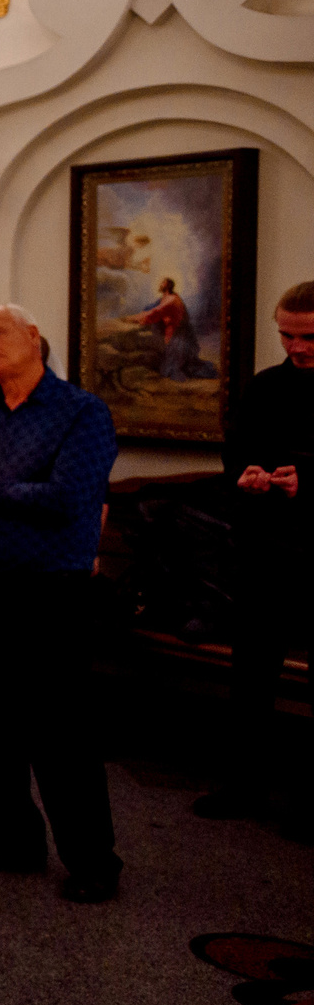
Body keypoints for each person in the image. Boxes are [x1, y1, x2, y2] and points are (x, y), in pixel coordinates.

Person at [0, 305, 123, 902]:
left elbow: (70, 497)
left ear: (33, 337)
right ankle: (11, 840)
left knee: (60, 729)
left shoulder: (81, 412)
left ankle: (93, 860)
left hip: (51, 586)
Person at [197, 281, 314, 833]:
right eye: (287, 335)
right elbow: (236, 451)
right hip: (267, 551)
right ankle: (244, 785)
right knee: (252, 677)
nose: (296, 348)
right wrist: (244, 474)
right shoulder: (266, 386)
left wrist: (306, 482)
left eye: (308, 337)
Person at [126, 275, 214, 380]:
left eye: (162, 283)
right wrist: (137, 316)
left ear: (167, 286)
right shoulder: (165, 298)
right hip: (171, 330)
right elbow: (151, 309)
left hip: (178, 334)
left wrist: (135, 319)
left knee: (171, 368)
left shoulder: (171, 300)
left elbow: (156, 312)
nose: (160, 285)